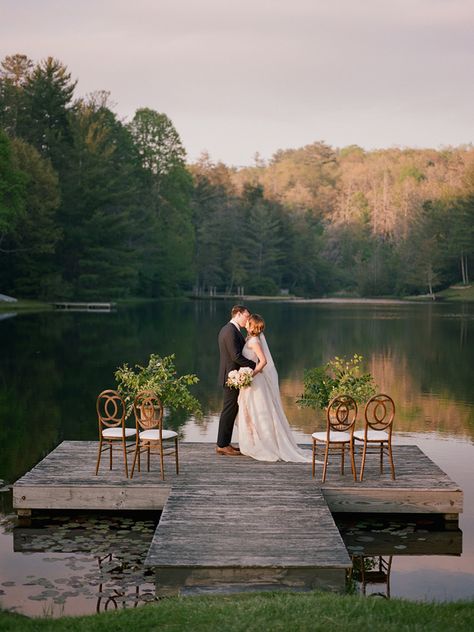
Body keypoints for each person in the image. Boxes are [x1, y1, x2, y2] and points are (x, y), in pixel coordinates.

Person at [236, 313, 312, 462]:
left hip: (255, 381)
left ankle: (264, 442)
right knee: (250, 411)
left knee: (258, 411)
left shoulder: (255, 342)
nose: (246, 322)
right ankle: (252, 441)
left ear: (252, 326)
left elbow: (263, 361)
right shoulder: (250, 339)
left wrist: (251, 375)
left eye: (248, 321)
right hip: (250, 382)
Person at [216, 305, 256, 456]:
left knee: (232, 410)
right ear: (238, 314)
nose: (248, 319)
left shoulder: (231, 329)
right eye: (246, 316)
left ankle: (225, 443)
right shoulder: (230, 331)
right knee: (229, 411)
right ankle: (222, 445)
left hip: (233, 376)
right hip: (231, 378)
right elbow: (236, 356)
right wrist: (255, 366)